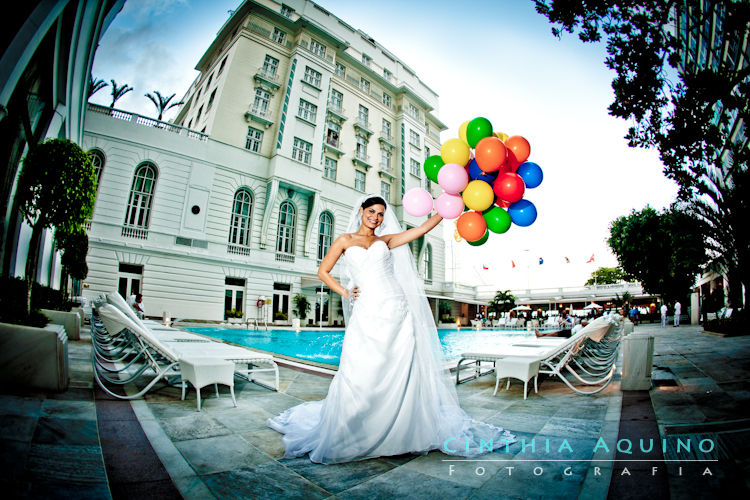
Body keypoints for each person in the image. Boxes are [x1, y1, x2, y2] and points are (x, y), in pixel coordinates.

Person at [267, 194, 515, 464]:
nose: (376, 217)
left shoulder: (386, 240)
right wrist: (345, 291)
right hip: (367, 310)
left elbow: (420, 230)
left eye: (381, 214)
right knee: (362, 367)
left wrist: (446, 210)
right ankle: (358, 426)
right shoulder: (344, 240)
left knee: (400, 367)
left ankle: (403, 432)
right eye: (371, 211)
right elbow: (323, 271)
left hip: (396, 308)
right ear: (361, 210)